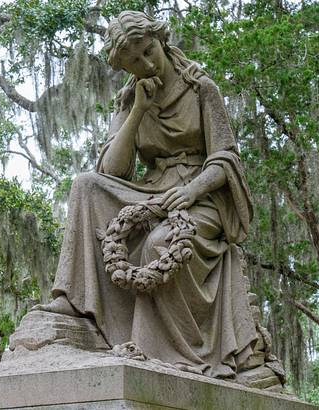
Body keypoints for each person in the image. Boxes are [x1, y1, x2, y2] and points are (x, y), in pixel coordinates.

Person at [35, 10, 257, 379]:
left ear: (161, 40)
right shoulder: (130, 99)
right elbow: (112, 171)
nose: (145, 64)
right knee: (85, 185)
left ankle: (161, 350)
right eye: (133, 62)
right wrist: (137, 109)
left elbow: (226, 161)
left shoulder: (201, 88)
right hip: (151, 192)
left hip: (199, 197)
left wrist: (190, 191)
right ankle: (73, 301)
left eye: (148, 51)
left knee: (159, 244)